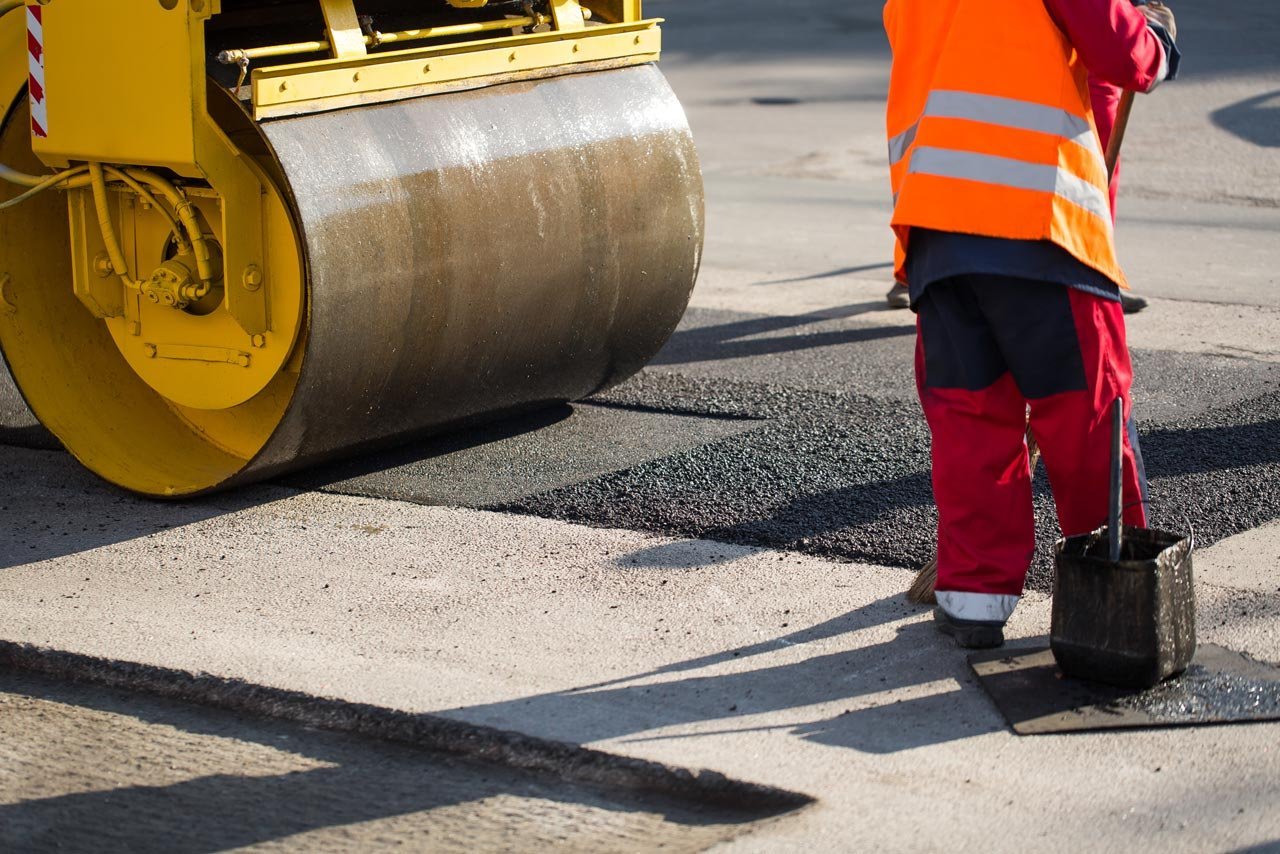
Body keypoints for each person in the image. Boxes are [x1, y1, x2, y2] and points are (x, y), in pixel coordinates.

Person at [883, 0, 1179, 648]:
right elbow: (1117, 50)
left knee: (971, 426)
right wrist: (1155, 43)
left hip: (936, 232)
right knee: (1086, 419)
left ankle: (972, 603)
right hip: (1039, 226)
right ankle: (1114, 597)